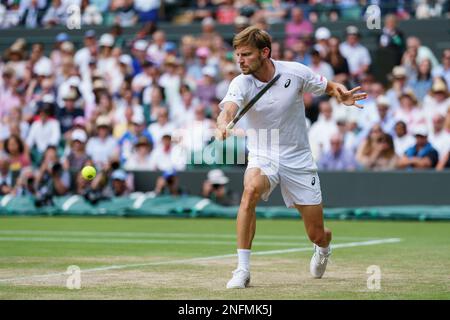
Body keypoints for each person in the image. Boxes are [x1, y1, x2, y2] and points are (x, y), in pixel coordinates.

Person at [216, 26, 367, 289]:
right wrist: (222, 122)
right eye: (237, 54)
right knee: (249, 190)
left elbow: (328, 86)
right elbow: (228, 109)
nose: (240, 60)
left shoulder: (295, 72)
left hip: (298, 160)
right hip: (263, 155)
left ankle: (323, 247)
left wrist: (339, 93)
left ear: (265, 52)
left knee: (317, 233)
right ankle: (242, 270)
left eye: (246, 54)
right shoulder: (240, 82)